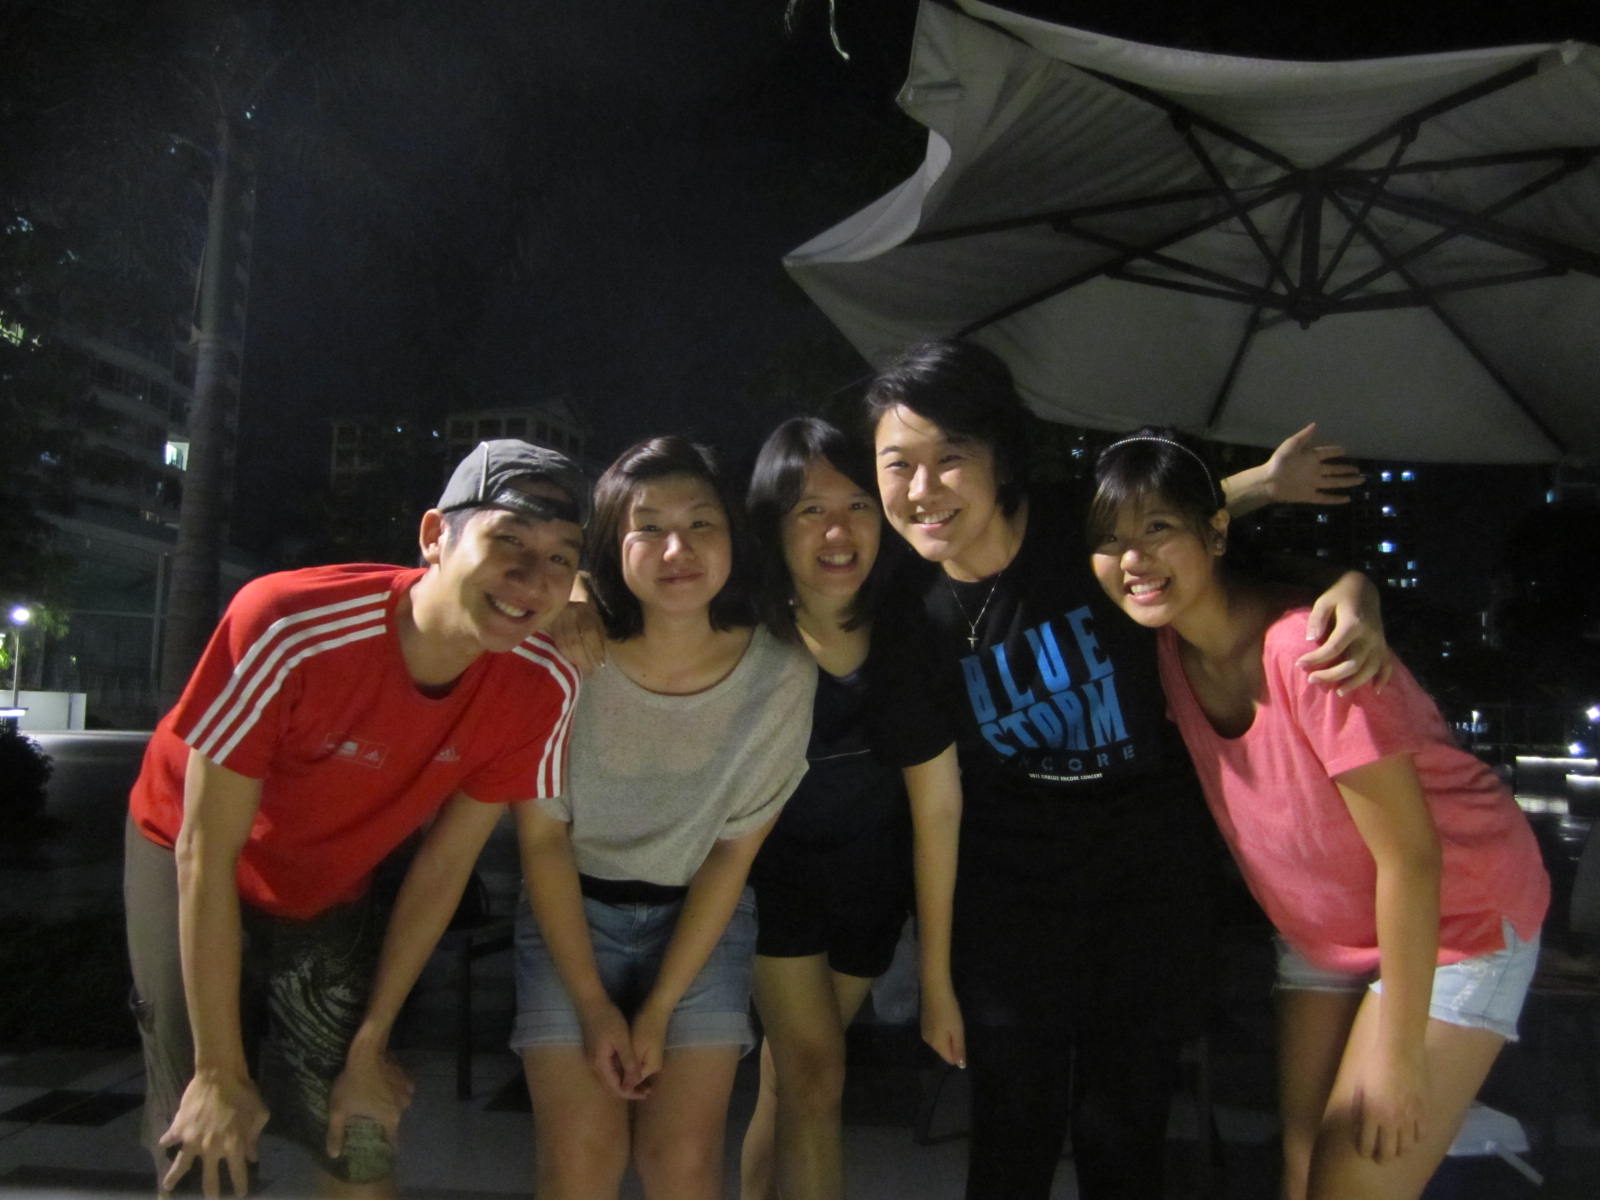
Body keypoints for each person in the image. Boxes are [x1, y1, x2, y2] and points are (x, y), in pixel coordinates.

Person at [862, 338, 1389, 1200]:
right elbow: (937, 812)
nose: (923, 489)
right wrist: (936, 977)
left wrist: (1341, 572)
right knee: (1009, 1143)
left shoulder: (1079, 526)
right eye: (898, 465)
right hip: (1009, 911)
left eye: (950, 458)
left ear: (1001, 458)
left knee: (1125, 1140)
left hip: (1146, 891)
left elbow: (1173, 524)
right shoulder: (907, 619)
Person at [1088, 428, 1550, 1200]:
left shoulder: (1310, 653)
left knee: (1352, 1179)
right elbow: (1148, 533)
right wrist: (1267, 486)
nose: (1132, 558)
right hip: (1326, 928)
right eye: (1110, 541)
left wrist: (1400, 1056)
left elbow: (1412, 859)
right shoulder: (1169, 648)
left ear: (1215, 534)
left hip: (1456, 916)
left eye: (1158, 529)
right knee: (1301, 1171)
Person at [124, 439, 588, 1198]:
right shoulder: (291, 623)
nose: (533, 580)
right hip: (185, 845)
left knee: (361, 1136)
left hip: (328, 878)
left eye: (560, 558)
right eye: (508, 542)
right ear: (435, 535)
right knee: (204, 1140)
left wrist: (371, 1043)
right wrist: (218, 1071)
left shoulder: (541, 683)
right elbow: (207, 851)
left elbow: (445, 866)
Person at [511, 435, 816, 1199]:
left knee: (680, 1165)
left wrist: (657, 1012)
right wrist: (593, 1006)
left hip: (701, 921)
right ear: (612, 546)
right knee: (579, 1165)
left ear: (734, 536)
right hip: (569, 910)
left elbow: (731, 854)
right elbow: (542, 839)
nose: (677, 549)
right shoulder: (562, 659)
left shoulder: (779, 671)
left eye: (701, 523)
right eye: (648, 527)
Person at [738, 417, 964, 1200]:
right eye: (810, 509)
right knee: (816, 1075)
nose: (838, 531)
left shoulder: (914, 625)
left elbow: (937, 811)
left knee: (792, 1079)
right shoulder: (741, 628)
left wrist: (935, 974)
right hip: (771, 886)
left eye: (858, 505)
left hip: (871, 892)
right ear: (773, 524)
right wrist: (576, 593)